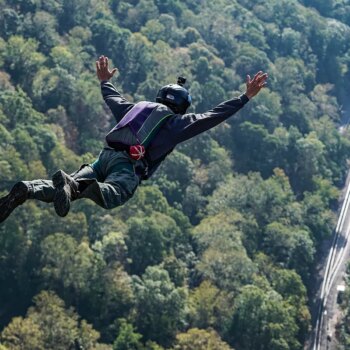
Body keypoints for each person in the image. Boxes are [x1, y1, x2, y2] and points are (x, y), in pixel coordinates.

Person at [0, 56, 268, 223]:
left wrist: (105, 80)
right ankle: (79, 184)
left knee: (70, 192)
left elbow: (112, 98)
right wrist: (243, 98)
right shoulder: (175, 124)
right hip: (126, 168)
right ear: (181, 107)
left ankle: (29, 189)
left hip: (102, 157)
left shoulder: (135, 108)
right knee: (115, 195)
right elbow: (211, 116)